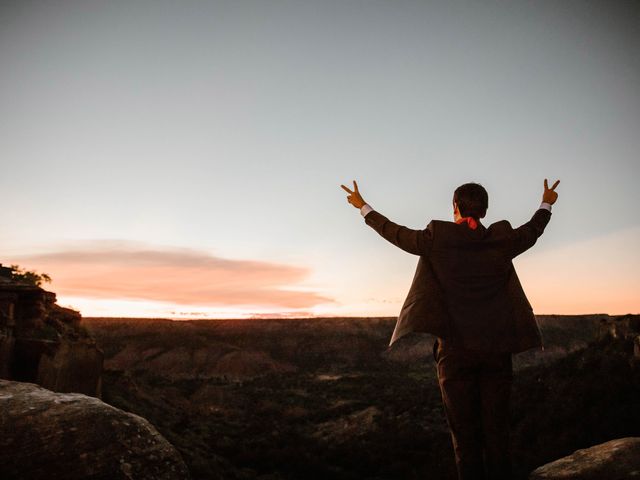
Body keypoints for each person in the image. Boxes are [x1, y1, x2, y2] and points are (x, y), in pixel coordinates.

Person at [340, 179, 560, 480]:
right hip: (496, 352)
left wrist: (363, 207)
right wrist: (546, 202)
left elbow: (395, 233)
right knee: (497, 432)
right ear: (485, 209)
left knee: (465, 438)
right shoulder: (501, 238)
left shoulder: (438, 238)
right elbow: (533, 230)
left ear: (455, 206)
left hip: (455, 355)